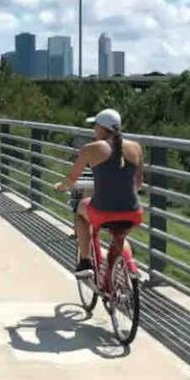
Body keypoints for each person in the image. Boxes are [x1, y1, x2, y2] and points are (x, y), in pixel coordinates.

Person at [54, 108, 144, 292]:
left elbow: (72, 179)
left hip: (103, 212)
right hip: (134, 211)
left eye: (95, 126)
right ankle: (126, 269)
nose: (94, 130)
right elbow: (139, 183)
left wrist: (60, 187)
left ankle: (85, 261)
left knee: (79, 209)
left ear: (102, 129)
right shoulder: (136, 147)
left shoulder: (91, 149)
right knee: (119, 234)